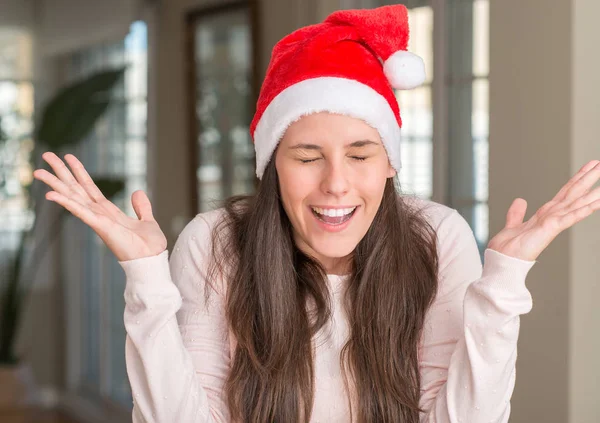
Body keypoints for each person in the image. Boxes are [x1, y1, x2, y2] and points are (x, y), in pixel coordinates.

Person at [33, 5, 599, 423]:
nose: (336, 184)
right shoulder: (214, 244)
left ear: (390, 165)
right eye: (307, 156)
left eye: (360, 154)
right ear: (272, 165)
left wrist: (500, 286)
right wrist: (147, 280)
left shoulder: (437, 238)